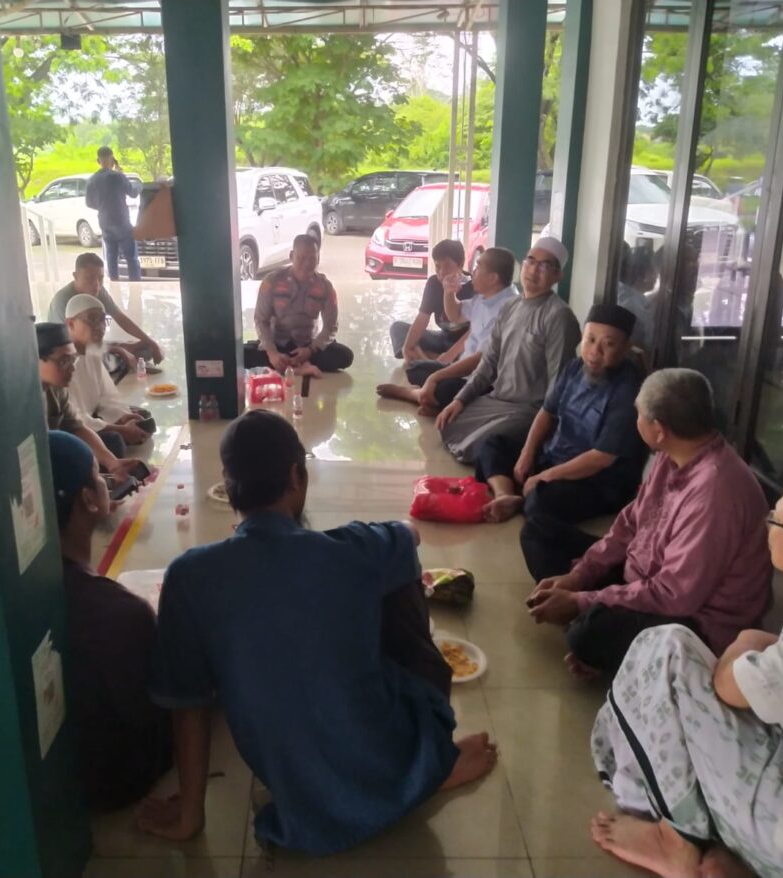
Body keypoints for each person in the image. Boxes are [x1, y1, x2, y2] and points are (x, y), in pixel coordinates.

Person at [137, 411, 497, 852]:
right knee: (395, 572)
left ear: (229, 485)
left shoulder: (187, 575)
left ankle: (386, 773)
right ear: (296, 476)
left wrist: (191, 813)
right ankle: (426, 764)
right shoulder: (351, 550)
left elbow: (187, 704)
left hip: (289, 775)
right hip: (380, 749)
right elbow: (410, 536)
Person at [589, 459, 783, 878]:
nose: (768, 525)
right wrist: (754, 649)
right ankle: (734, 855)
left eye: (777, 520)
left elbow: (729, 687)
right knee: (677, 655)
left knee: (666, 651)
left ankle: (677, 840)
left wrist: (748, 641)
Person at [525, 368, 773, 680]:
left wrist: (581, 601)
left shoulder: (715, 490)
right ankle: (598, 629)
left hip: (694, 620)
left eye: (638, 414)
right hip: (643, 577)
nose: (635, 420)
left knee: (586, 634)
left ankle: (595, 633)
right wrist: (579, 575)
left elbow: (675, 594)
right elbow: (629, 524)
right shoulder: (671, 455)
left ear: (658, 429)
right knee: (538, 532)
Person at [48, 430, 172, 810]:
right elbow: (154, 713)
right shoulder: (118, 613)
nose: (105, 481)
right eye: (96, 476)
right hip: (116, 784)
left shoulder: (27, 594)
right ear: (88, 499)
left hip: (52, 782)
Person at [475, 303, 645, 523]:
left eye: (609, 344)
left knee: (541, 502)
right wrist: (527, 453)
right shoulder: (574, 368)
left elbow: (601, 458)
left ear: (625, 348)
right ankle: (505, 496)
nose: (595, 351)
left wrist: (543, 477)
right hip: (557, 454)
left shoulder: (629, 390)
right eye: (590, 340)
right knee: (492, 444)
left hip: (598, 479)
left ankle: (522, 498)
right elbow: (547, 412)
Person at [435, 238, 581, 464]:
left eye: (545, 265)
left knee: (483, 444)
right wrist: (459, 400)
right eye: (531, 261)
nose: (534, 270)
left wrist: (538, 437)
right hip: (498, 399)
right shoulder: (510, 307)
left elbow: (557, 387)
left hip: (528, 409)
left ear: (557, 276)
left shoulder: (559, 317)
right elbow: (488, 362)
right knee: (448, 422)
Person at [375, 247, 517, 412]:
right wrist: (449, 293)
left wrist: (436, 376)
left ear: (492, 278)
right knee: (417, 370)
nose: (474, 271)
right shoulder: (485, 296)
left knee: (441, 385)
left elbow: (481, 361)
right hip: (466, 368)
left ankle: (415, 395)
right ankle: (433, 399)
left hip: (484, 380)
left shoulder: (507, 308)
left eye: (478, 267)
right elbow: (455, 315)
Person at [36, 321, 147, 485]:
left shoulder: (56, 389)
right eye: (63, 361)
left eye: (72, 360)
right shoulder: (26, 402)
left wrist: (113, 463)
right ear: (35, 360)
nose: (72, 369)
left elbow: (77, 427)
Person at [244, 234, 354, 376]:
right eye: (301, 258)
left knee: (345, 356)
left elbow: (331, 326)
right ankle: (297, 369)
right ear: (291, 256)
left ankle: (289, 367)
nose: (307, 264)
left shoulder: (325, 287)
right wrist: (272, 353)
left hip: (308, 347)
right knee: (238, 355)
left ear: (318, 259)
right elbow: (261, 319)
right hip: (277, 346)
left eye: (312, 259)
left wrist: (310, 350)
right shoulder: (271, 281)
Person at [62, 294, 151, 457]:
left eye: (103, 320)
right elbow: (75, 420)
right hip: (75, 430)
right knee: (114, 441)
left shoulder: (92, 353)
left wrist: (123, 417)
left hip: (93, 417)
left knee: (142, 417)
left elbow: (108, 397)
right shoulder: (62, 364)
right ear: (71, 324)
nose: (100, 326)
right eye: (92, 319)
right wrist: (119, 429)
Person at [48, 252, 164, 372]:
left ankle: (122, 360)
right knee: (100, 361)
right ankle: (120, 361)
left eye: (100, 278)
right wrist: (118, 349)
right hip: (70, 354)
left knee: (146, 349)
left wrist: (151, 342)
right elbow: (72, 346)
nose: (96, 284)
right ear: (75, 276)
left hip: (96, 345)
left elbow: (120, 318)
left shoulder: (97, 290)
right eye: (89, 278)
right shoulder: (62, 302)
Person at [387, 238, 474, 365]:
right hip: (443, 338)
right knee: (398, 328)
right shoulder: (434, 283)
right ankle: (431, 359)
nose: (441, 272)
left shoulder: (474, 286)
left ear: (460, 264)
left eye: (447, 266)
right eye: (437, 266)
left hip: (465, 344)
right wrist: (407, 347)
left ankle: (427, 359)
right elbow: (423, 318)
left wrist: (449, 356)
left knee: (479, 350)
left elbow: (475, 331)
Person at [85, 145, 142, 282]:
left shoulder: (92, 180)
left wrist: (102, 206)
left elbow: (89, 203)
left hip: (104, 221)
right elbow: (133, 193)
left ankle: (114, 284)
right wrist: (139, 184)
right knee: (131, 258)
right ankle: (135, 287)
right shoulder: (118, 176)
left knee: (111, 257)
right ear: (112, 159)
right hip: (121, 220)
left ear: (98, 161)